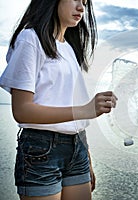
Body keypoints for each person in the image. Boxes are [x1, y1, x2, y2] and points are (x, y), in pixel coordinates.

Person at [0, 0, 117, 199]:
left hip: (77, 148)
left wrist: (86, 157)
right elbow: (21, 110)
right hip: (41, 150)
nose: (81, 7)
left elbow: (75, 120)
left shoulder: (69, 48)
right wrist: (85, 110)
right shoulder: (30, 39)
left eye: (85, 2)